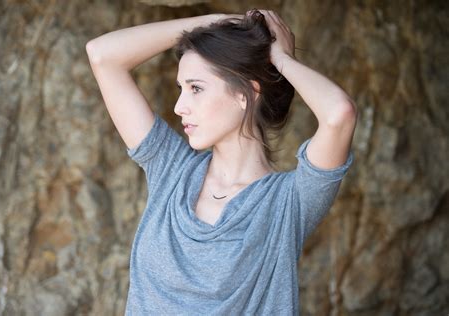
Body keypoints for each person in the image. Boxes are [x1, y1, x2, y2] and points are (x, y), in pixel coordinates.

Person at [86, 8, 357, 316]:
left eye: (195, 88)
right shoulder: (171, 170)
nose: (179, 107)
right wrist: (210, 23)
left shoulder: (288, 203)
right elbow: (102, 56)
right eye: (181, 88)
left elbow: (339, 114)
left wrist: (280, 59)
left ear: (245, 93)